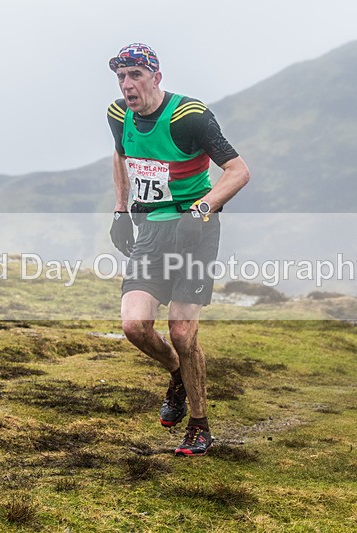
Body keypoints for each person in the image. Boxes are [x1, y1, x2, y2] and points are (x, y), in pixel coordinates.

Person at [107, 43, 250, 456]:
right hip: (150, 229)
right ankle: (176, 375)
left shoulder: (190, 117)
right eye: (121, 76)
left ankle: (199, 424)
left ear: (156, 77)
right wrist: (120, 210)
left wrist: (202, 209)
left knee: (183, 332)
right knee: (135, 326)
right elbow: (120, 155)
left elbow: (238, 172)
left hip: (195, 230)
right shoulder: (119, 115)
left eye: (135, 74)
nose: (127, 84)